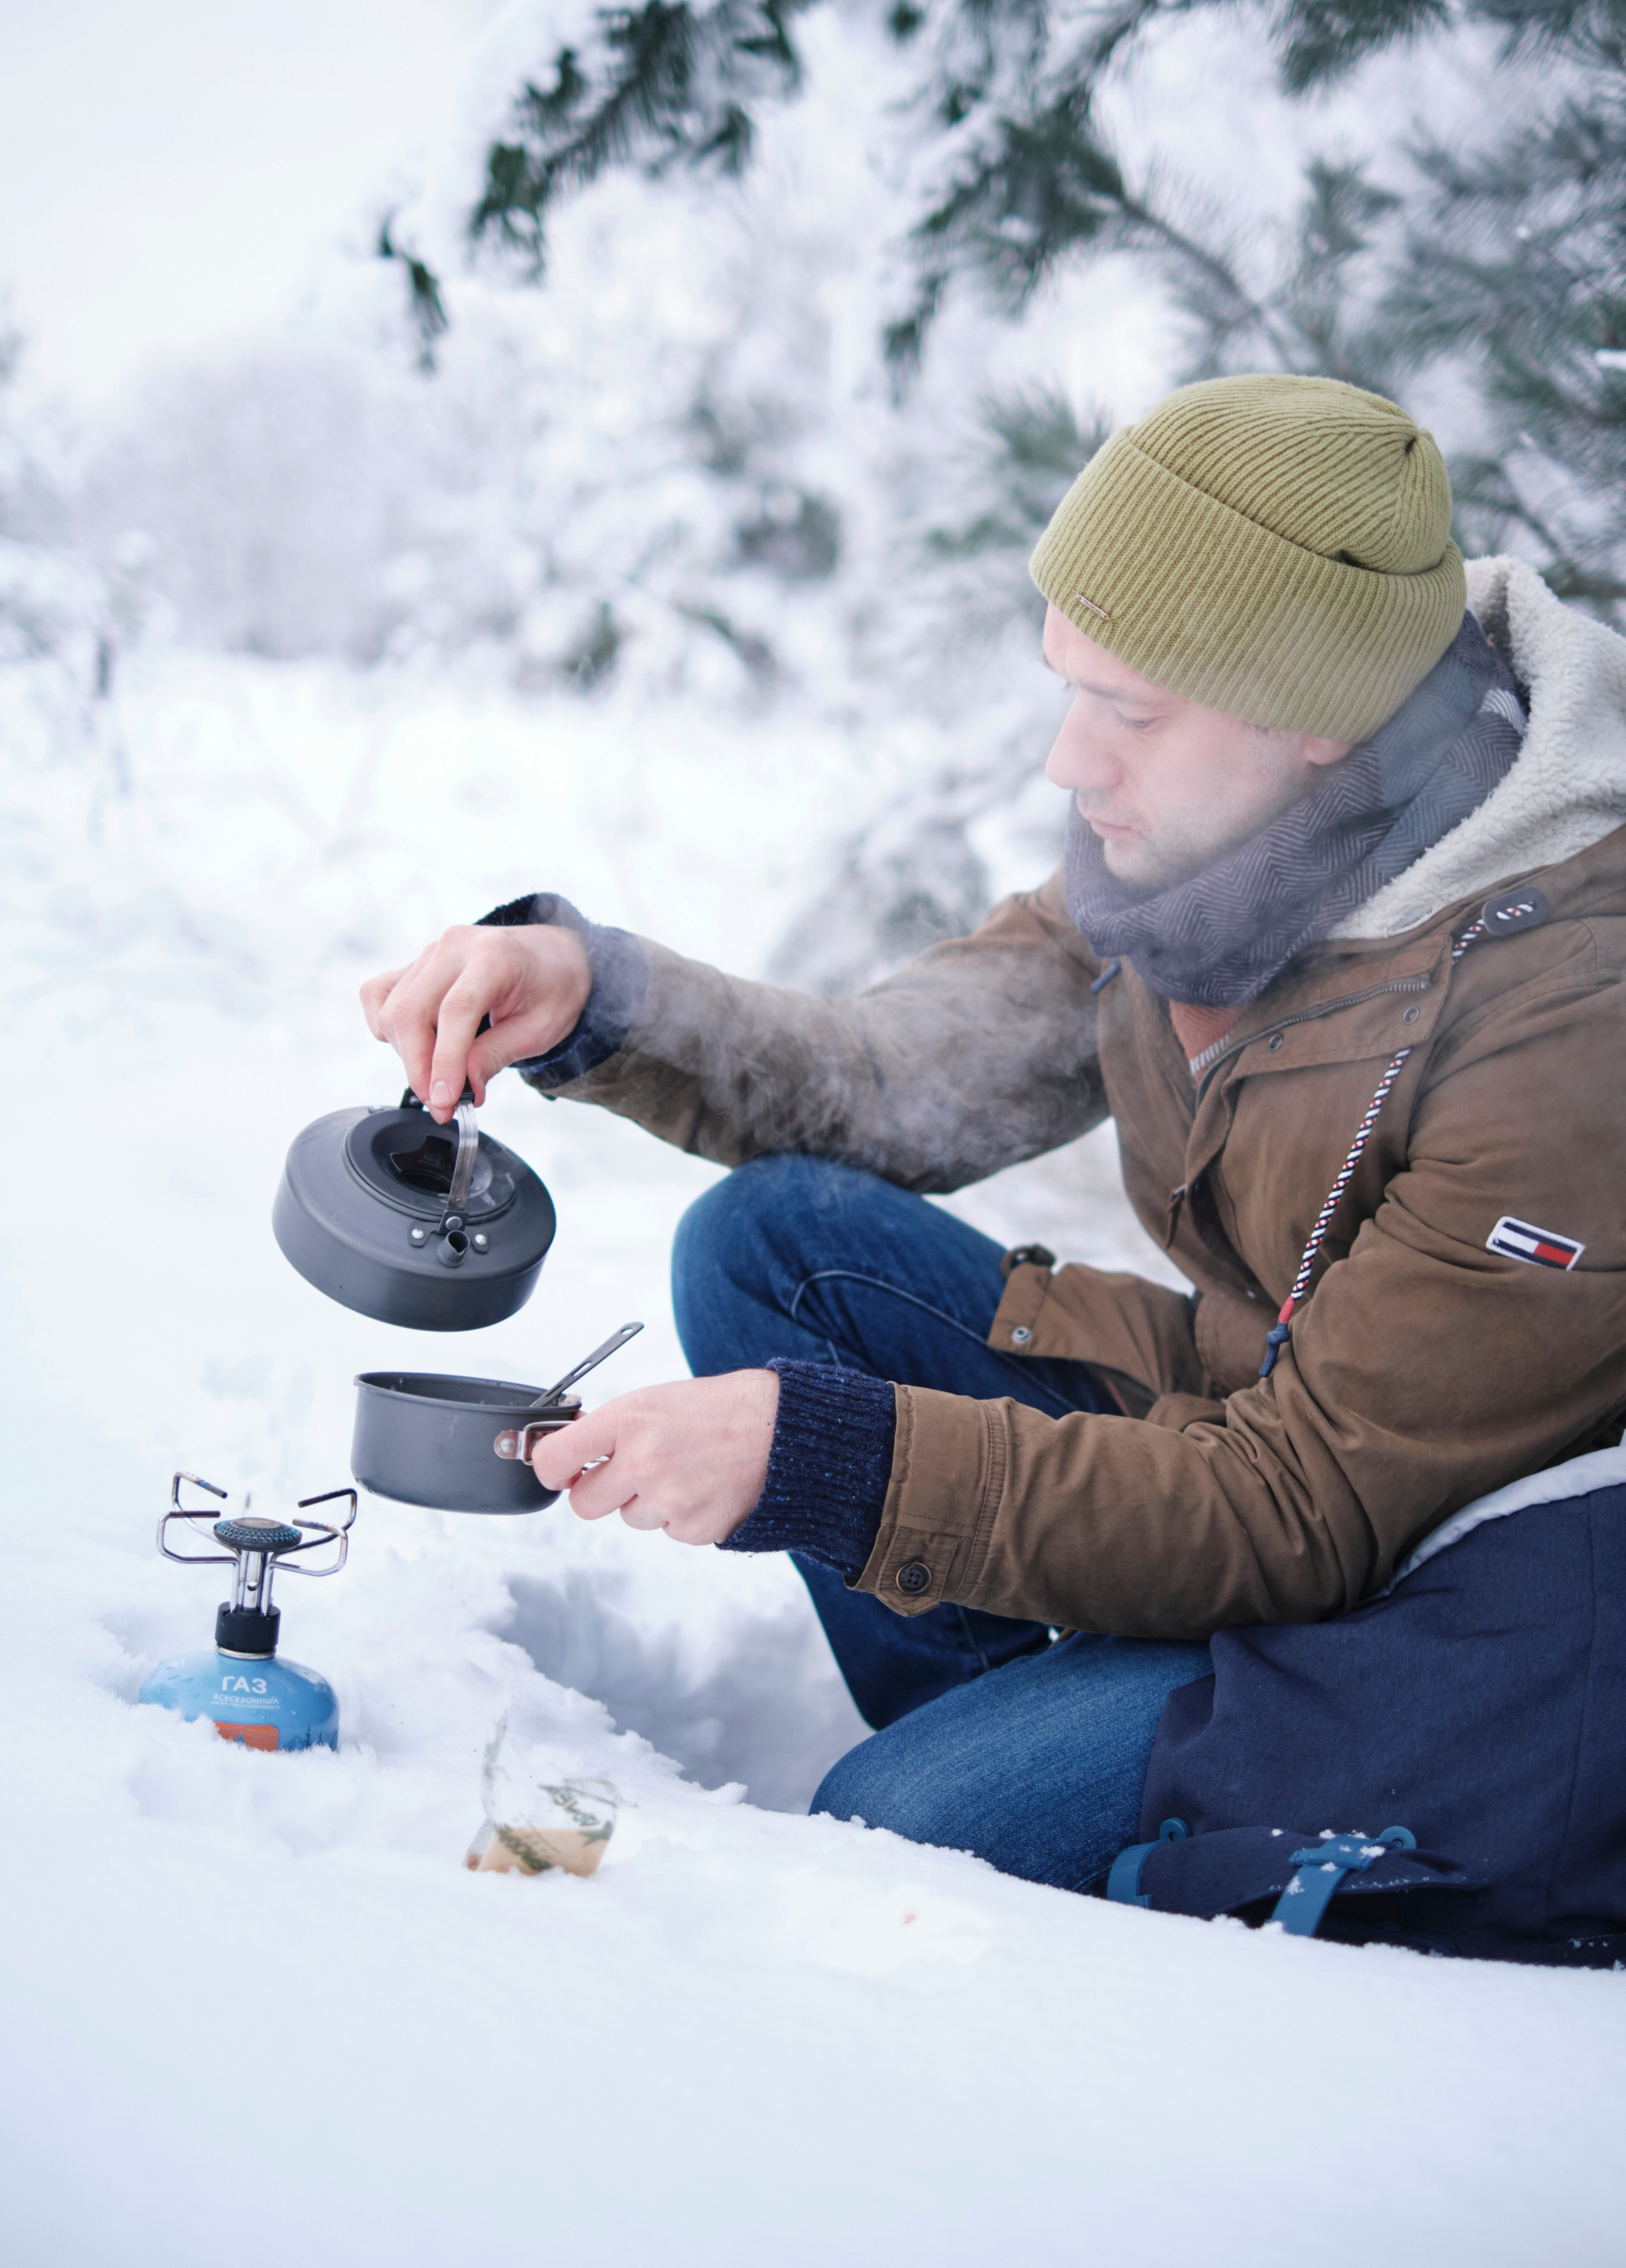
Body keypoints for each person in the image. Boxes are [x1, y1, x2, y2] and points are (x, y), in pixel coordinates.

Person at [362, 372, 1626, 1900]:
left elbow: (1309, 1508)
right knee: (776, 1244)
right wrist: (591, 996)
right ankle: (1062, 1752)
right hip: (1277, 1420)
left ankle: (1087, 1833)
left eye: (1130, 711)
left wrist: (829, 1461)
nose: (1067, 764)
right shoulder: (1208, 852)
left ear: (1313, 714)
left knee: (900, 1820)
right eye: (1070, 689)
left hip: (1487, 1599)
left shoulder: (1571, 1006)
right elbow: (900, 1083)